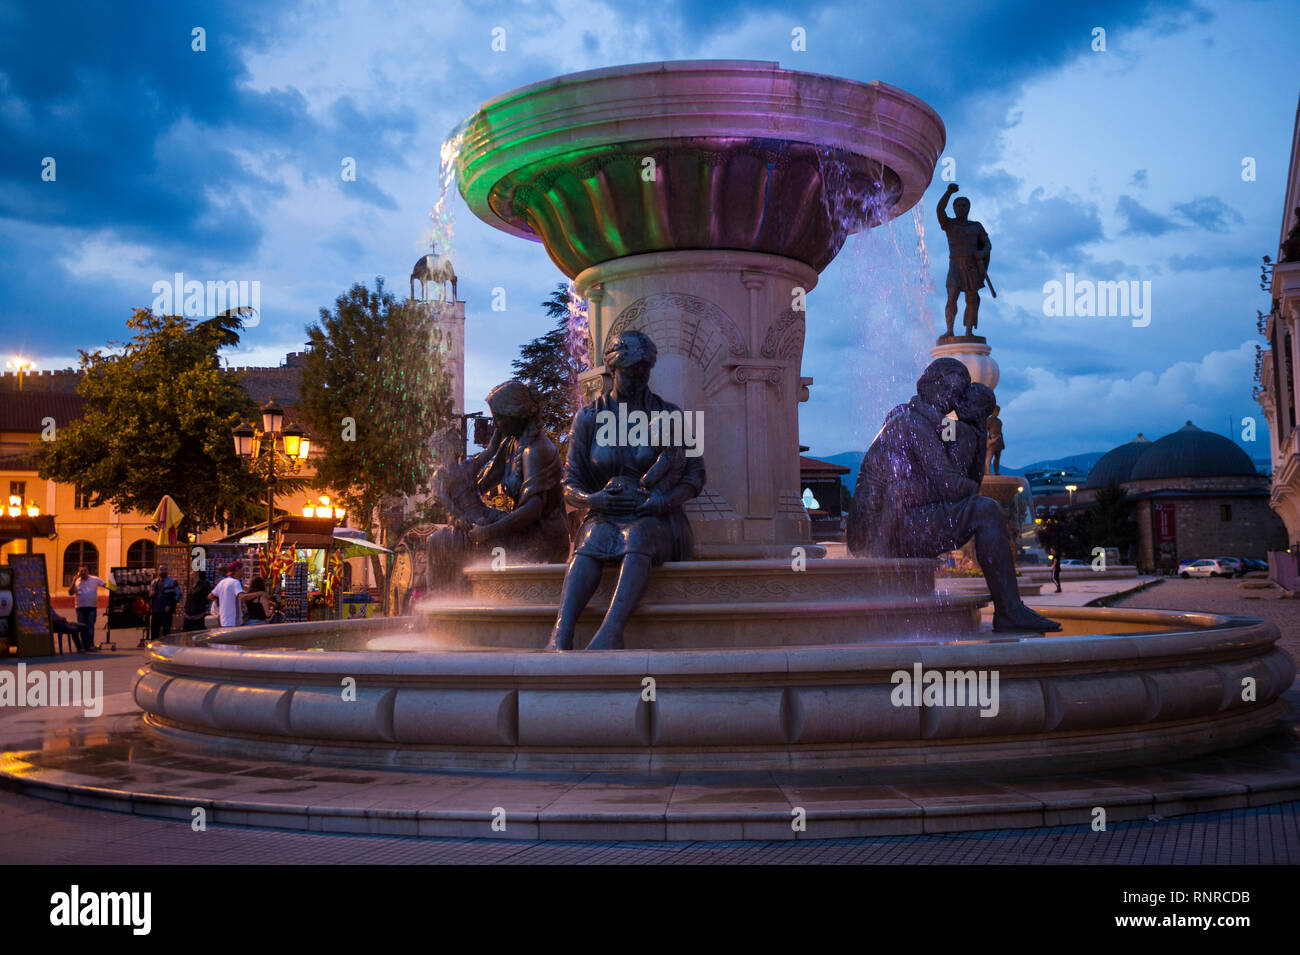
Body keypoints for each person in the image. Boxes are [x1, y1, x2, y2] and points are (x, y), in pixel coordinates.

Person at [848, 357, 1059, 632]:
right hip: (879, 534)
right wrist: (969, 484)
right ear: (932, 385)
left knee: (982, 507)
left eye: (959, 395)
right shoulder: (913, 423)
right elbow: (950, 486)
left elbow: (951, 481)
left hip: (894, 521)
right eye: (952, 392)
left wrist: (975, 435)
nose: (955, 402)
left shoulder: (930, 423)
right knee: (986, 510)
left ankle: (1010, 610)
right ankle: (1009, 611)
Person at [546, 330, 706, 651]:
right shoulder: (588, 418)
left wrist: (661, 502)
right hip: (605, 515)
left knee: (638, 534)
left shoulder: (670, 414)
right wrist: (594, 500)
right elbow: (569, 483)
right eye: (632, 369)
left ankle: (611, 631)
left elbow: (695, 477)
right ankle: (560, 634)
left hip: (657, 519)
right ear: (613, 369)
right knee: (593, 538)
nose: (641, 375)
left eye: (646, 368)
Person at [937, 183, 992, 337]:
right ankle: (950, 330)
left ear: (969, 208)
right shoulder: (950, 224)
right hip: (955, 265)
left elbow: (988, 244)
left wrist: (981, 253)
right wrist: (948, 193)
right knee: (952, 296)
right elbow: (940, 210)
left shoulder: (976, 226)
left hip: (971, 266)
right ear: (954, 208)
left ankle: (969, 331)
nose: (961, 208)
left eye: (964, 205)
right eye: (958, 205)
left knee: (972, 299)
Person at [68, 565, 112, 650]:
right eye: (81, 571)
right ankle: (85, 645)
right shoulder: (76, 581)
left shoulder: (95, 579)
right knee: (82, 626)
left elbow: (105, 585)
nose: (83, 573)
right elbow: (70, 593)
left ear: (88, 571)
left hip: (92, 607)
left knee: (90, 625)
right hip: (80, 607)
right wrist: (73, 581)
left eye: (85, 571)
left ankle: (90, 644)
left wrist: (115, 587)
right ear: (78, 572)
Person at [145, 564, 182, 646]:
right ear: (158, 571)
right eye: (161, 569)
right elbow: (150, 594)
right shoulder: (154, 582)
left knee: (166, 631)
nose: (163, 571)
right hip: (156, 610)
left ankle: (167, 648)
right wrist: (150, 595)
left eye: (165, 569)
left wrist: (170, 605)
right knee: (154, 631)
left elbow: (179, 594)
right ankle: (154, 648)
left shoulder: (173, 581)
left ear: (167, 571)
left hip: (166, 611)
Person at [209, 562, 245, 629]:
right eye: (242, 569)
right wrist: (259, 593)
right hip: (233, 621)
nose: (244, 572)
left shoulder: (222, 582)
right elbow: (242, 596)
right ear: (237, 569)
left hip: (223, 620)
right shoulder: (235, 582)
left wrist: (223, 601)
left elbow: (210, 596)